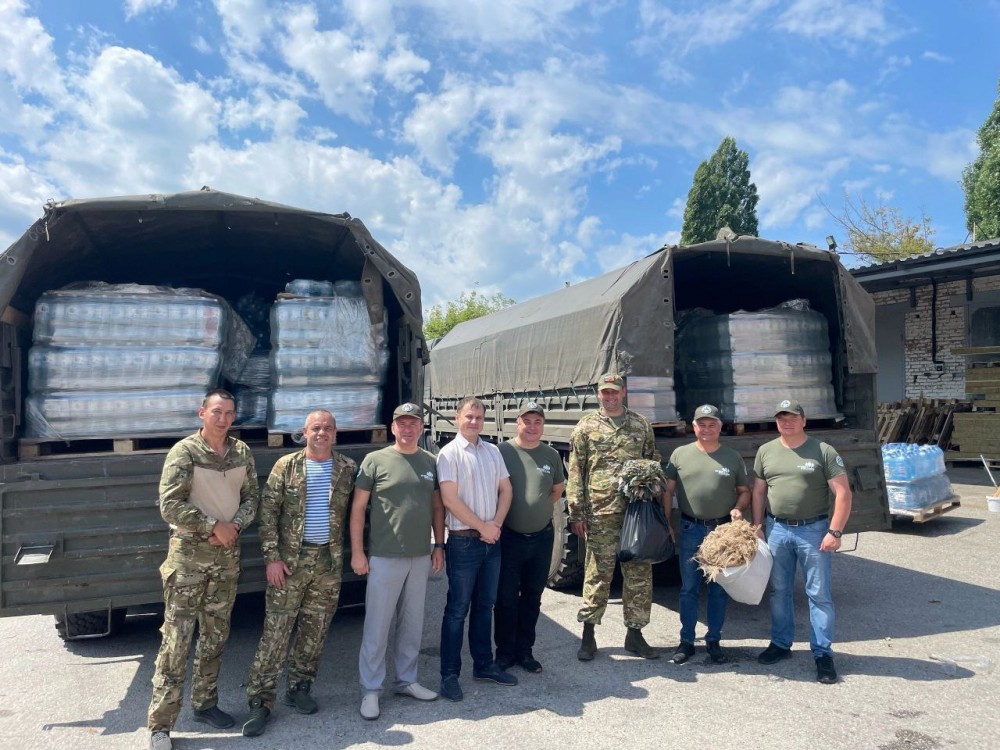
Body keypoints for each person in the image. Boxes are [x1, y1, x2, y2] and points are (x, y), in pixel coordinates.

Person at [146, 389, 259, 750]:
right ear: (202, 413)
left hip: (226, 559)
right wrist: (213, 526)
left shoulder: (241, 452)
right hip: (188, 561)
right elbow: (170, 504)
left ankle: (205, 703)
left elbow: (252, 498)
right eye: (216, 412)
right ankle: (160, 725)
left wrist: (234, 526)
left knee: (215, 636)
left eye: (229, 413)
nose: (223, 419)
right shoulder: (185, 452)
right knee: (176, 641)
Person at [242, 410, 356, 737]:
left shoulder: (347, 468)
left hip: (327, 563)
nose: (322, 433)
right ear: (304, 432)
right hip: (290, 562)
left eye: (328, 428)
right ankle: (260, 700)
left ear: (335, 433)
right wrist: (272, 559)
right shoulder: (287, 466)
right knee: (276, 630)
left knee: (315, 629)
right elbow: (268, 515)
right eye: (316, 428)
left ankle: (299, 687)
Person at [350, 403, 446, 720]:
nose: (407, 428)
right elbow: (358, 509)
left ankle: (407, 680)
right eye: (402, 423)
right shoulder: (375, 461)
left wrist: (439, 545)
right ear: (393, 428)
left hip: (419, 555)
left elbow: (437, 507)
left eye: (413, 423)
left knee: (412, 623)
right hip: (384, 555)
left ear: (421, 428)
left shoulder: (430, 461)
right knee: (377, 626)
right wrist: (358, 552)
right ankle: (371, 690)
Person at [751, 399, 853, 685]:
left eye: (793, 417)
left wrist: (835, 532)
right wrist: (758, 526)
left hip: (813, 531)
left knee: (818, 594)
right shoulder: (766, 451)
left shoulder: (823, 451)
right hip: (777, 529)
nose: (787, 422)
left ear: (804, 421)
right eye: (781, 418)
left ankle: (822, 654)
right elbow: (758, 492)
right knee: (779, 590)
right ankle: (780, 644)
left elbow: (843, 493)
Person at [567, 372, 661, 661]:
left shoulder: (640, 425)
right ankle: (588, 635)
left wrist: (650, 493)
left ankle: (635, 635)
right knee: (598, 574)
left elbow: (652, 462)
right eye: (605, 392)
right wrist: (576, 512)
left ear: (623, 392)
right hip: (600, 513)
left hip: (635, 512)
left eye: (614, 392)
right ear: (599, 394)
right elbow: (576, 470)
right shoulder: (586, 426)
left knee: (639, 573)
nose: (610, 397)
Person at [437, 396, 516, 701]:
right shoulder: (449, 454)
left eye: (479, 417)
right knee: (457, 610)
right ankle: (449, 675)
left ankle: (484, 665)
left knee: (485, 607)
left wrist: (495, 524)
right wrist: (484, 527)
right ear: (458, 418)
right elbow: (449, 500)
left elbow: (506, 489)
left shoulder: (493, 451)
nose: (474, 422)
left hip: (491, 542)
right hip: (464, 542)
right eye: (469, 416)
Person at [662, 404, 750, 665]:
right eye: (702, 425)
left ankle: (713, 641)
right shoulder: (680, 454)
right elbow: (667, 490)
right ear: (694, 427)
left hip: (721, 533)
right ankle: (686, 642)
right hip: (690, 528)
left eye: (712, 425)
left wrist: (738, 508)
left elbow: (744, 491)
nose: (707, 429)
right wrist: (666, 522)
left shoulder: (732, 457)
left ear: (720, 428)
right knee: (688, 589)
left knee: (718, 589)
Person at [494, 402, 566, 674]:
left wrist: (537, 510)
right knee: (505, 598)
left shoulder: (551, 455)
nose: (532, 427)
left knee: (533, 596)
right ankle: (504, 653)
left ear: (543, 425)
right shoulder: (502, 452)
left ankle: (525, 652)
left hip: (541, 539)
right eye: (527, 421)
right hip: (509, 538)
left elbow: (556, 490)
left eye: (538, 422)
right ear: (518, 423)